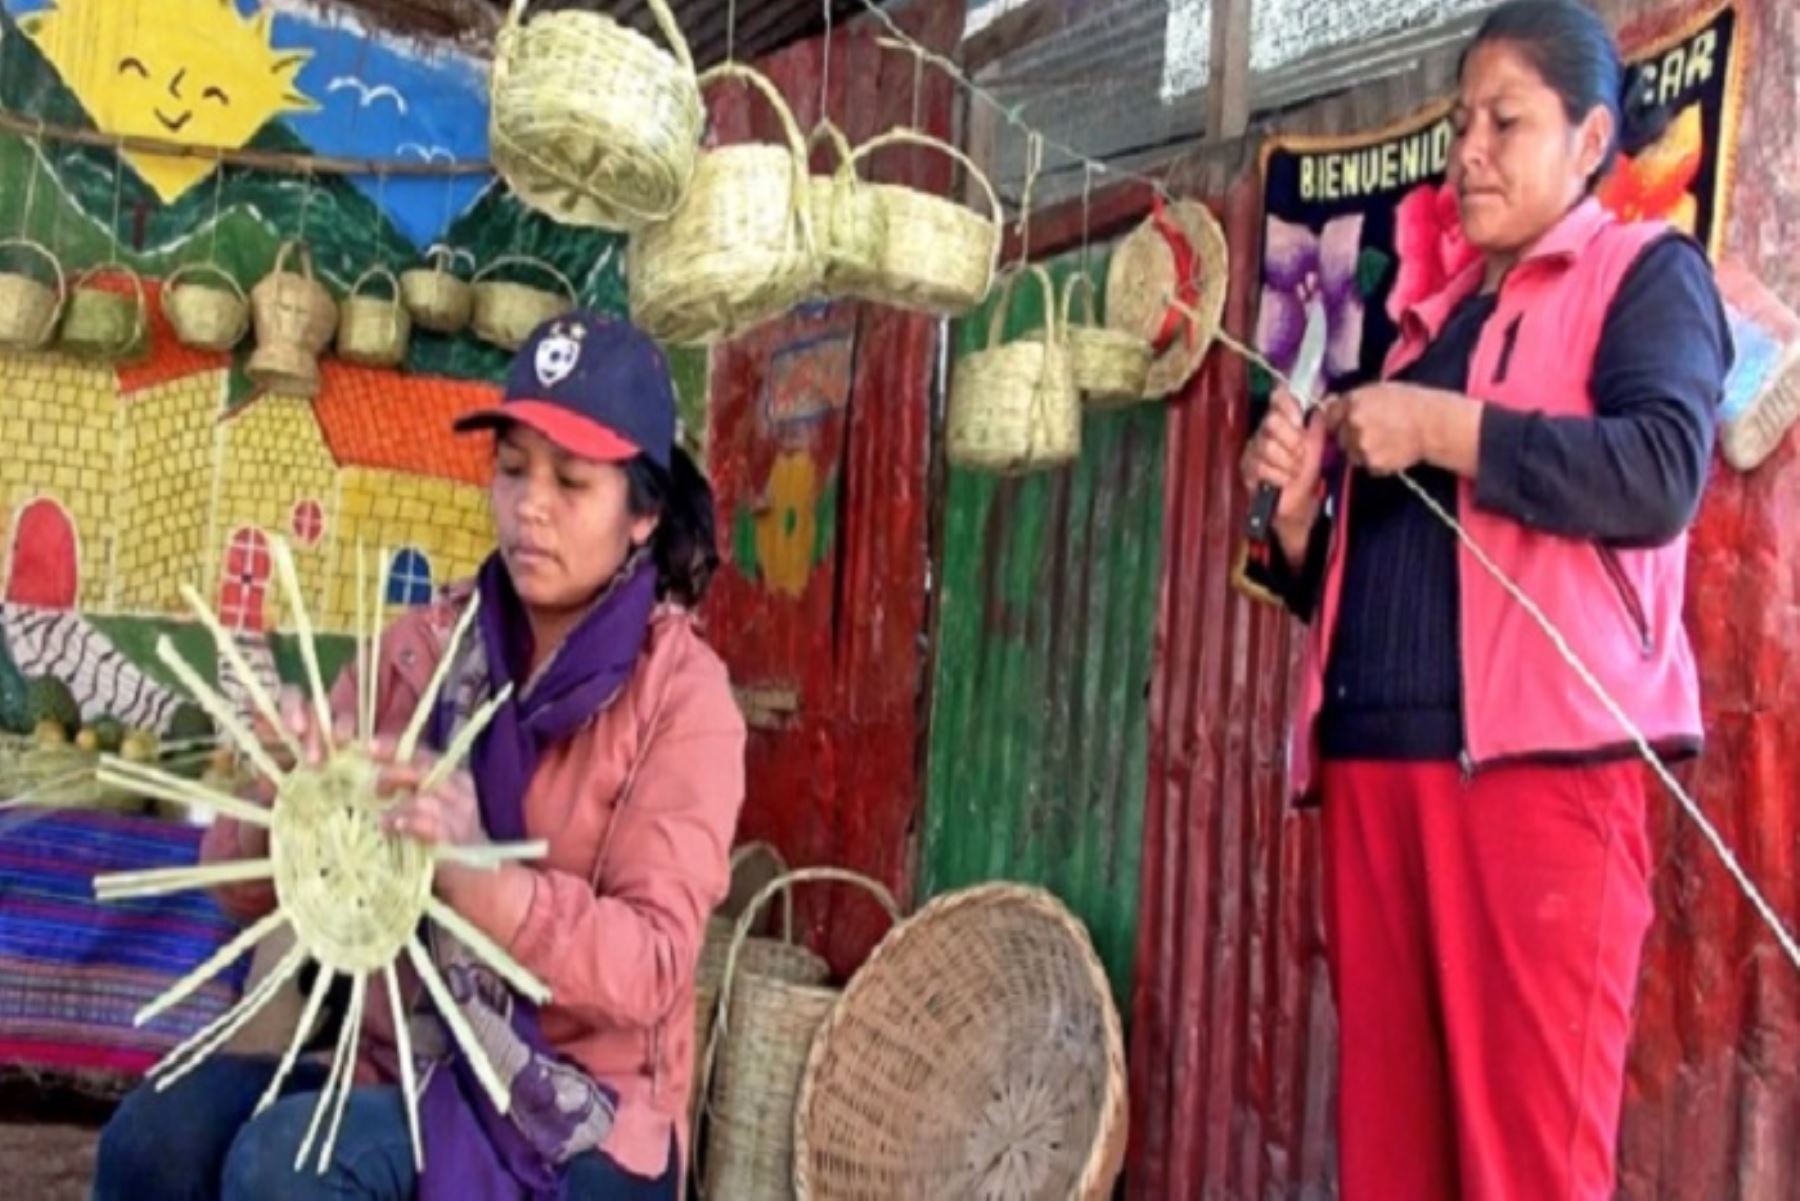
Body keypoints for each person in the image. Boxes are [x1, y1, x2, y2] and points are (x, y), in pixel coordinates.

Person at [1240, 2, 1731, 1199]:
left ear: (1591, 137)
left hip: (1537, 790)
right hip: (1376, 776)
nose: (1469, 151)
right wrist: (1300, 522)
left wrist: (1444, 429)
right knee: (1393, 1165)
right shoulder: (1426, 330)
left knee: (1526, 1171)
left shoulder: (1644, 276)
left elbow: (1661, 472)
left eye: (1506, 121)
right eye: (1463, 122)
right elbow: (1394, 577)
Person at [94, 313, 747, 1201]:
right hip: (403, 1057)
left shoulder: (682, 696)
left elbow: (654, 968)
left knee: (286, 1171)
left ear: (643, 515)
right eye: (512, 469)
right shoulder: (422, 648)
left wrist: (478, 876)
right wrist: (283, 797)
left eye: (571, 481)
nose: (530, 506)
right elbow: (241, 891)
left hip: (576, 1101)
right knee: (152, 1141)